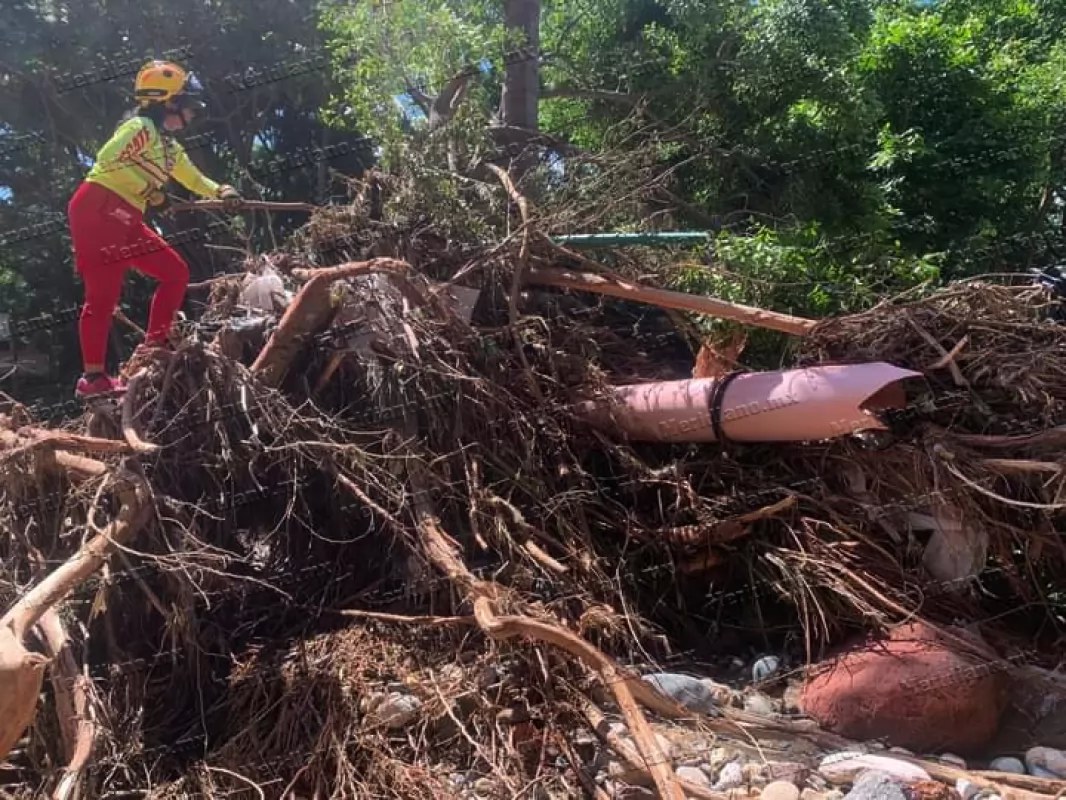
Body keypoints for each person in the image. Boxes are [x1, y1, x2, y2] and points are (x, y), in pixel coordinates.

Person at [67, 59, 242, 398]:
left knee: (175, 272)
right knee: (103, 296)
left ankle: (154, 346)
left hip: (126, 215)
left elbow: (193, 178)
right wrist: (150, 192)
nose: (192, 115)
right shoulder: (139, 129)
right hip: (98, 209)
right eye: (188, 106)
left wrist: (222, 191)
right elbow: (106, 159)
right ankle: (93, 379)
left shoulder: (168, 147)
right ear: (167, 101)